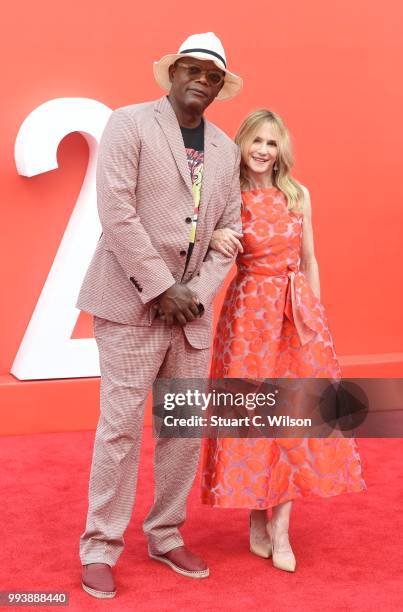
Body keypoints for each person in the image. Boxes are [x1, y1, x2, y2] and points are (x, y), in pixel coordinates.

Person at [76, 32, 243, 598]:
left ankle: (166, 533)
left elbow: (232, 234)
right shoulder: (129, 124)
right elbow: (116, 210)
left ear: (220, 87)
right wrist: (161, 287)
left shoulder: (226, 149)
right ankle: (100, 544)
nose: (200, 79)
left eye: (212, 75)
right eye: (190, 69)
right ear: (172, 73)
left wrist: (192, 295)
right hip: (130, 305)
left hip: (189, 314)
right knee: (120, 430)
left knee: (184, 432)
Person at [201, 109, 366, 572]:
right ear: (242, 145)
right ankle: (257, 514)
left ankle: (281, 528)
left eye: (271, 143)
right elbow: (203, 243)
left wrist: (317, 319)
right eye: (255, 141)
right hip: (247, 317)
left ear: (281, 150)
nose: (262, 150)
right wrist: (214, 234)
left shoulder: (297, 195)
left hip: (294, 314)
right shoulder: (227, 197)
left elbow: (310, 260)